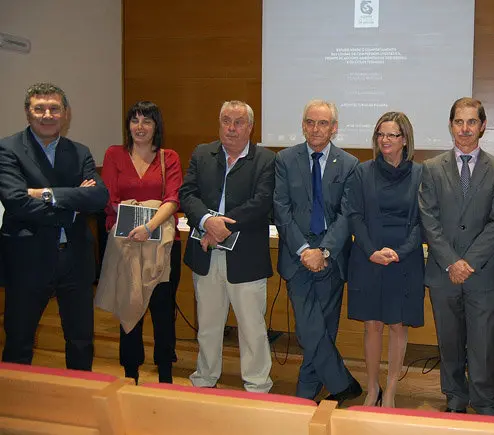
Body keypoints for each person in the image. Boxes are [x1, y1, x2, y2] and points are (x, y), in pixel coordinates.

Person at [0, 82, 108, 370]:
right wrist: (73, 206)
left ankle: (81, 400)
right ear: (27, 112)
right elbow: (15, 201)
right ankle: (17, 405)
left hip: (75, 259)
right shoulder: (7, 149)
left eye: (54, 108)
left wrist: (45, 194)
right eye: (39, 108)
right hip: (27, 259)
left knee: (81, 340)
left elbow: (98, 196)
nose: (47, 115)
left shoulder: (80, 152)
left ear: (65, 114)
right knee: (19, 339)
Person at [418, 97, 494, 415]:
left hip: (481, 275)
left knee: (484, 344)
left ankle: (485, 402)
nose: (465, 128)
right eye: (459, 121)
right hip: (444, 273)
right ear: (451, 125)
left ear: (482, 126)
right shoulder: (431, 169)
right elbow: (428, 219)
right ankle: (455, 398)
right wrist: (451, 261)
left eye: (472, 122)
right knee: (450, 342)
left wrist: (468, 262)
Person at [179, 101, 275, 392]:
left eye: (238, 122)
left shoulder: (266, 160)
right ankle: (205, 379)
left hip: (246, 258)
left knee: (252, 329)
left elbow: (261, 204)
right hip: (205, 254)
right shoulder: (202, 153)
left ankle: (257, 385)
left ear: (250, 127)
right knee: (208, 325)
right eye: (226, 121)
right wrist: (208, 221)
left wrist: (220, 228)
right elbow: (187, 193)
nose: (231, 128)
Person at [273, 99, 360, 403]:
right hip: (297, 256)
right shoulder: (285, 159)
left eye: (323, 123)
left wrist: (322, 251)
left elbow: (348, 214)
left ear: (334, 128)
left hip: (330, 258)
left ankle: (307, 393)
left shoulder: (349, 164)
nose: (315, 128)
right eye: (310, 122)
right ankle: (340, 381)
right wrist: (303, 249)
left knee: (325, 326)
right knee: (309, 328)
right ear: (303, 125)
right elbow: (281, 209)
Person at [345, 112, 425, 407]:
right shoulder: (362, 172)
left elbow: (424, 221)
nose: (385, 140)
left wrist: (400, 252)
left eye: (392, 135)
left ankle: (390, 391)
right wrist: (371, 251)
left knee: (397, 325)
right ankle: (372, 389)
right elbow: (354, 214)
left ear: (405, 140)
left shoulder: (420, 174)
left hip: (405, 261)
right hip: (369, 258)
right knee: (373, 325)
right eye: (380, 134)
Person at [99, 101, 183, 383]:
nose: (140, 126)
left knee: (162, 311)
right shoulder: (114, 154)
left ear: (156, 126)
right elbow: (108, 199)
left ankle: (165, 375)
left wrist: (148, 226)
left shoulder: (169, 157)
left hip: (160, 244)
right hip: (126, 244)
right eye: (135, 120)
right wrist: (137, 222)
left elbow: (173, 198)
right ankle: (130, 372)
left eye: (147, 121)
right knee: (129, 305)